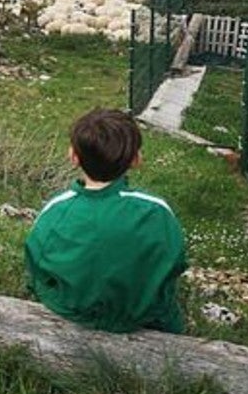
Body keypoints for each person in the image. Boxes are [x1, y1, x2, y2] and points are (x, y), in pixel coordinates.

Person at [24, 108, 188, 334]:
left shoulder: (56, 209)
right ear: (136, 159)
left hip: (69, 311)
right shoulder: (156, 211)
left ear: (73, 156)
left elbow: (35, 266)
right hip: (144, 320)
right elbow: (175, 263)